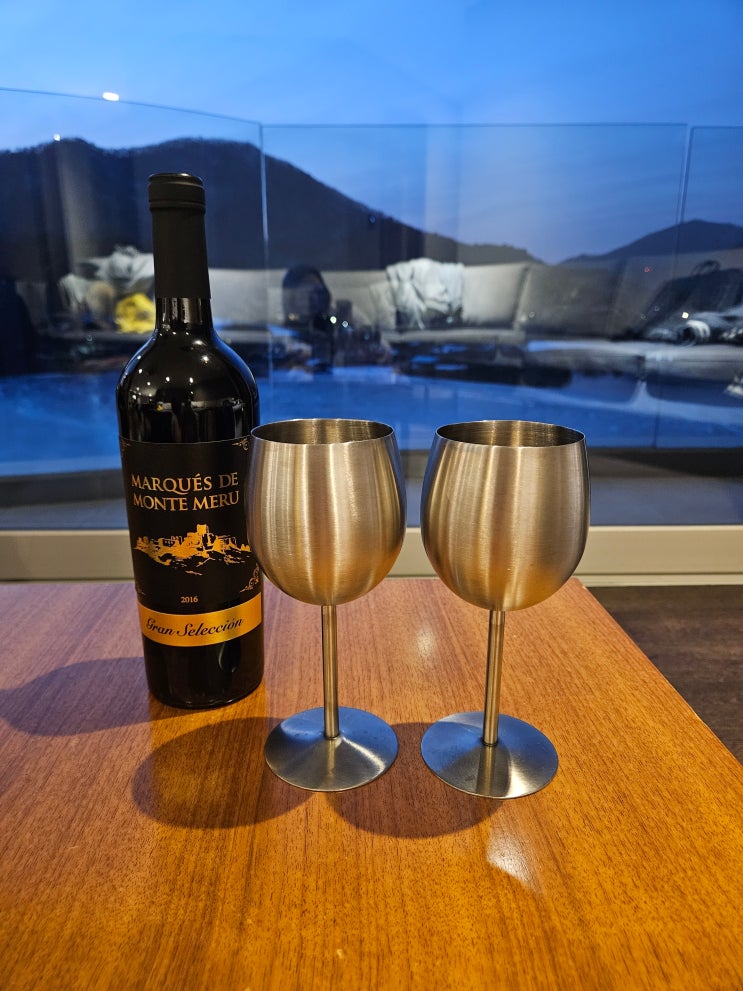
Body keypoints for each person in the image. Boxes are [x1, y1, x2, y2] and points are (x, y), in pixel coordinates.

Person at [281, 264, 335, 371]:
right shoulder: (281, 334)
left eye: (316, 291)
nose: (311, 298)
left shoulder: (334, 324)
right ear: (291, 297)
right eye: (304, 291)